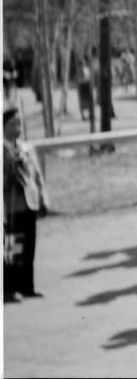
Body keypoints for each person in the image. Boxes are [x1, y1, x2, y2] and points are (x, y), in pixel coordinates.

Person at [4, 108, 48, 302]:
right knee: (13, 249)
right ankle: (9, 289)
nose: (18, 127)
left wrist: (43, 198)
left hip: (29, 203)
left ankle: (27, 287)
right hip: (11, 206)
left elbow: (37, 174)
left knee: (29, 248)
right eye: (13, 123)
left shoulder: (25, 148)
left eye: (19, 123)